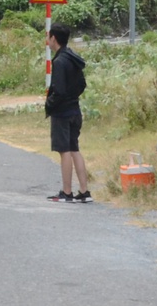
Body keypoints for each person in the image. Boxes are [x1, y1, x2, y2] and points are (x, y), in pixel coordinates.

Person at [44, 24, 91, 203]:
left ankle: (67, 192)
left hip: (62, 113)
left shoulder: (59, 61)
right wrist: (73, 97)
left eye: (48, 37)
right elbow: (81, 85)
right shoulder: (73, 58)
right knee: (74, 149)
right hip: (74, 110)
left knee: (64, 151)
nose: (47, 41)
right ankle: (84, 191)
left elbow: (59, 90)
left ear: (54, 38)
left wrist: (50, 104)